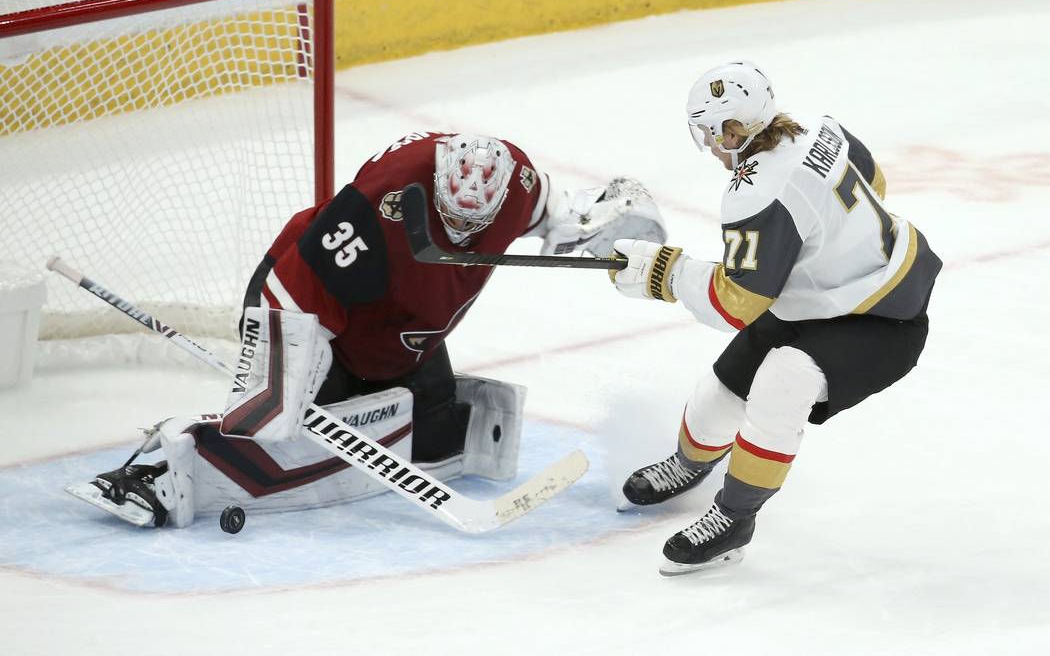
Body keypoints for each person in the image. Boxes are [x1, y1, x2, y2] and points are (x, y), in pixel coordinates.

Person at [70, 131, 666, 528]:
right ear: (436, 186)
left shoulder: (518, 188)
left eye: (475, 224)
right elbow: (300, 284)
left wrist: (625, 231)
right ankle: (155, 470)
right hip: (311, 310)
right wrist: (281, 384)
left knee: (439, 433)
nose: (463, 234)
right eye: (452, 219)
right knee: (275, 429)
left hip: (403, 332)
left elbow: (574, 219)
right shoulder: (383, 197)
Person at [611, 62, 941, 575]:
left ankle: (733, 519)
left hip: (880, 319)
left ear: (734, 129)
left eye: (710, 133)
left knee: (781, 383)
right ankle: (688, 465)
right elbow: (874, 179)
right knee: (719, 396)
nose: (710, 145)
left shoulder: (756, 189)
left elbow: (736, 303)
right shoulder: (816, 124)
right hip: (815, 300)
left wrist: (665, 273)